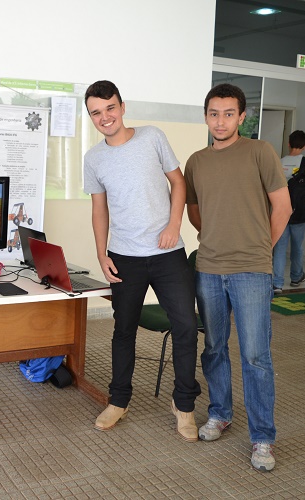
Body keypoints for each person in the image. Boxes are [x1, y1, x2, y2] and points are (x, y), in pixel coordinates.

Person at [82, 80, 201, 442]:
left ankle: (184, 405)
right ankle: (119, 400)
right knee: (123, 330)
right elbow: (99, 209)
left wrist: (173, 225)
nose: (105, 117)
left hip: (168, 254)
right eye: (96, 113)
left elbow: (178, 184)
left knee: (185, 326)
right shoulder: (94, 158)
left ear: (122, 106)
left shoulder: (152, 136)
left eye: (110, 108)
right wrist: (101, 254)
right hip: (124, 257)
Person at [184, 83, 291, 472]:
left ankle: (263, 437)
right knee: (213, 348)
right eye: (214, 113)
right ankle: (220, 412)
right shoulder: (196, 160)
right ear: (206, 116)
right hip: (209, 268)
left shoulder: (260, 152)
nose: (221, 120)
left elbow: (283, 207)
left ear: (242, 117)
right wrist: (212, 233)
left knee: (255, 355)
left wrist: (262, 247)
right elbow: (194, 211)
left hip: (251, 271)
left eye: (229, 113)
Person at [272, 130, 305, 293]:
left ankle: (277, 283)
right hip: (300, 211)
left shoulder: (279, 161)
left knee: (279, 246)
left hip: (280, 209)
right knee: (298, 246)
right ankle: (296, 277)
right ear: (304, 146)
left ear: (289, 144)